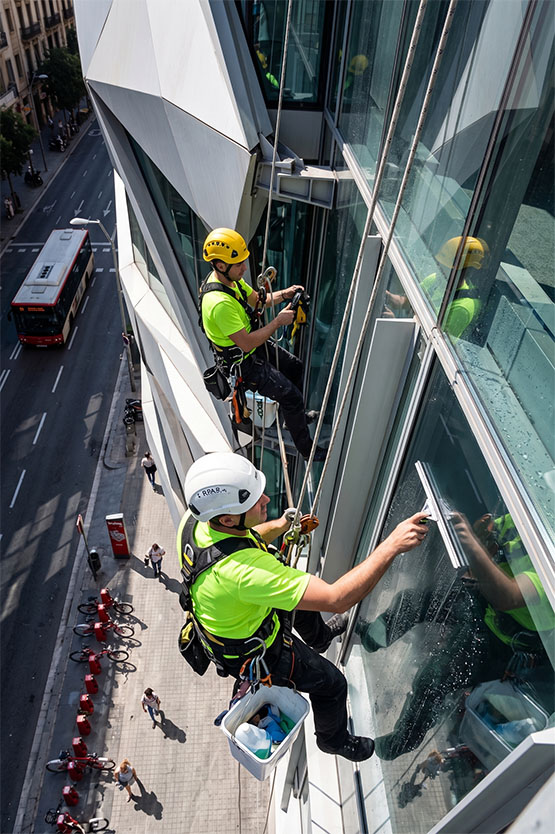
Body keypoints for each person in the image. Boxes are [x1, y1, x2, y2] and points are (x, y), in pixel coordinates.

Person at [178, 452, 428, 762]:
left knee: (297, 591)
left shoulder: (195, 523)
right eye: (256, 502)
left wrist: (281, 525)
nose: (267, 499)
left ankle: (320, 637)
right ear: (228, 518)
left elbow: (241, 538)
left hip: (240, 618)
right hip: (261, 652)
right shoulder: (245, 574)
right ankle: (333, 740)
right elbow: (337, 597)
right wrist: (392, 545)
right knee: (333, 685)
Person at [357, 510, 554, 761]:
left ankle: (402, 742)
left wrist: (469, 538)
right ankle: (373, 637)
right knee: (412, 602)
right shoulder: (529, 516)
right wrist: (482, 538)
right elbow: (492, 542)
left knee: (432, 680)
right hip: (481, 601)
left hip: (498, 642)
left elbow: (508, 596)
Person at [200, 228, 325, 460]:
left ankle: (292, 418)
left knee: (294, 367)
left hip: (251, 348)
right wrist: (278, 322)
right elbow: (246, 344)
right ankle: (307, 449)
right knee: (292, 397)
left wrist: (285, 294)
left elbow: (259, 301)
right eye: (239, 264)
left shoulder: (231, 282)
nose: (244, 268)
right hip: (244, 363)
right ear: (220, 266)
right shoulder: (219, 304)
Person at [385, 236, 489, 341]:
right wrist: (390, 298)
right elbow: (408, 303)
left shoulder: (462, 308)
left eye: (444, 266)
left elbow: (431, 345)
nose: (439, 268)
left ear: (461, 272)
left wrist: (393, 324)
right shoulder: (437, 279)